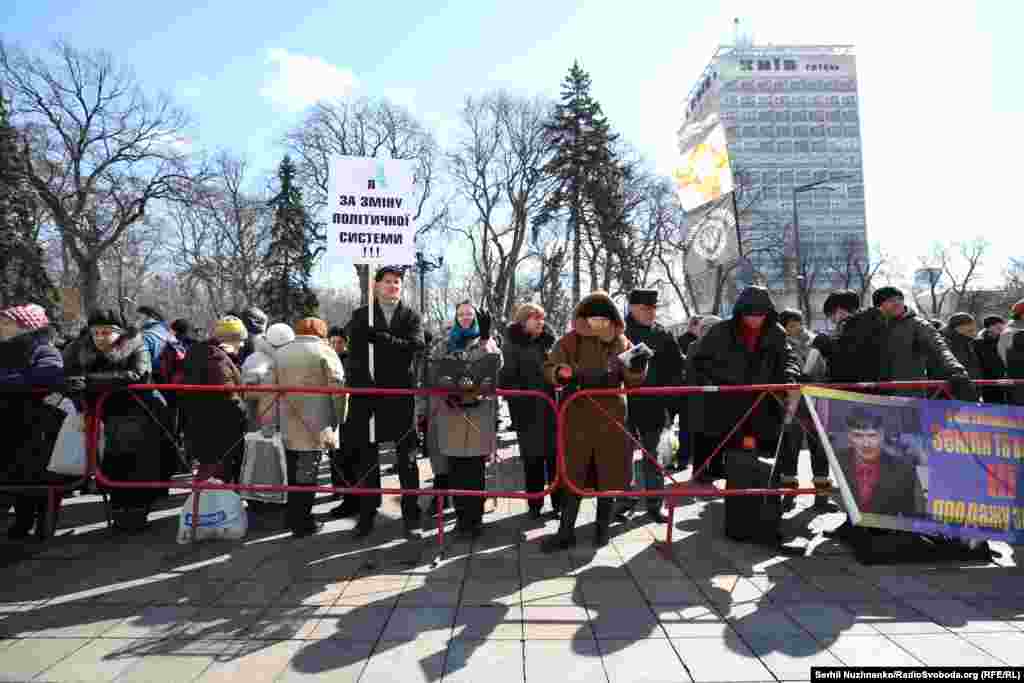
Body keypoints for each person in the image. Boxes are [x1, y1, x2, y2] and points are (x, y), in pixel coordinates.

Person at [542, 291, 647, 552]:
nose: (598, 323)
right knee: (573, 476)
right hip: (577, 419)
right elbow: (549, 368)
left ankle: (602, 531)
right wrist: (560, 372)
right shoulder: (569, 341)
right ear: (584, 318)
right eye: (593, 318)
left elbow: (633, 381)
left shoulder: (622, 342)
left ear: (611, 319)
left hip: (612, 420)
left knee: (608, 477)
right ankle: (565, 532)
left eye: (603, 319)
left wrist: (637, 368)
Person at [64, 309, 171, 532]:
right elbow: (69, 375)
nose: (100, 337)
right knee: (110, 463)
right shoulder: (79, 348)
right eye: (96, 333)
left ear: (120, 332)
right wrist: (75, 386)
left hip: (138, 410)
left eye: (107, 332)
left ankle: (137, 511)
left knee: (136, 464)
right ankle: (119, 511)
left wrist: (89, 381)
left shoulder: (136, 344)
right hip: (101, 413)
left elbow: (138, 374)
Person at [687, 287, 801, 489]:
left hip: (764, 404)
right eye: (750, 314)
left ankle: (767, 496)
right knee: (736, 456)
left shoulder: (776, 332)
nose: (755, 320)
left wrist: (790, 378)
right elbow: (698, 363)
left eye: (760, 315)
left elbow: (788, 359)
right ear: (740, 312)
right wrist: (710, 385)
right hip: (730, 404)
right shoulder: (720, 331)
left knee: (765, 455)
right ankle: (738, 496)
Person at [344, 266, 426, 538]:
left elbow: (415, 346)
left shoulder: (411, 316)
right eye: (388, 281)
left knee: (408, 459)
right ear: (377, 286)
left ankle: (411, 514)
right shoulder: (361, 316)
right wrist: (360, 384)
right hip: (369, 397)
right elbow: (354, 355)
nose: (393, 286)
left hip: (400, 396)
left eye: (397, 282)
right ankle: (367, 513)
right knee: (367, 458)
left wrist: (382, 339)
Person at [427, 302, 501, 538]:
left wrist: (485, 340)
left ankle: (475, 518)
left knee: (475, 470)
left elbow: (496, 365)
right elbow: (433, 371)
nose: (466, 317)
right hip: (452, 413)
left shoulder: (487, 342)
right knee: (457, 469)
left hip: (479, 413)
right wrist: (445, 390)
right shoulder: (444, 343)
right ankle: (461, 519)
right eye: (461, 314)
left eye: (470, 314)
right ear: (456, 317)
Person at [831, 287, 975, 402]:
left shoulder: (917, 324)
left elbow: (940, 348)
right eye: (890, 300)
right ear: (879, 306)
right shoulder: (870, 324)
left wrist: (957, 372)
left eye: (900, 299)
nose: (897, 303)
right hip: (875, 396)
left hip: (908, 396)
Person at [274, 317, 346, 537]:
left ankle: (291, 516)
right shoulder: (324, 351)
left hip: (287, 420)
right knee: (308, 472)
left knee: (291, 471)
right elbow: (338, 386)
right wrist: (340, 417)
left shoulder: (281, 352)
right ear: (322, 333)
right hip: (315, 422)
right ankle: (303, 522)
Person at [618, 289, 685, 523]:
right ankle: (624, 501)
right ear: (632, 308)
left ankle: (655, 504)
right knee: (623, 456)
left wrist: (671, 399)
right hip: (624, 404)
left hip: (655, 404)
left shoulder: (663, 333)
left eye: (654, 308)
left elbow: (677, 367)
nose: (651, 313)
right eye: (645, 308)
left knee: (655, 457)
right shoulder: (619, 332)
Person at [0, 305, 66, 539]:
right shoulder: (5, 351)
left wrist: (8, 381)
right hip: (10, 422)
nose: (1, 327)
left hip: (40, 424)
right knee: (16, 474)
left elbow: (46, 376)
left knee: (40, 475)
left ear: (25, 326)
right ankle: (23, 520)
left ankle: (44, 523)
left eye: (6, 323)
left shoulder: (45, 351)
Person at [500, 303, 559, 519]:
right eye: (536, 318)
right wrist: (523, 396)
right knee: (533, 460)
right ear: (524, 321)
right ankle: (534, 504)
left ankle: (558, 503)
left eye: (542, 318)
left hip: (552, 409)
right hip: (527, 412)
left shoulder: (550, 342)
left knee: (554, 458)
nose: (541, 322)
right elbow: (506, 378)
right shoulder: (512, 345)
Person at [182, 316, 249, 484]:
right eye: (240, 340)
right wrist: (245, 413)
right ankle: (205, 500)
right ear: (229, 340)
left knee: (210, 470)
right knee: (215, 473)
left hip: (202, 422)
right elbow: (228, 395)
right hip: (218, 427)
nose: (242, 345)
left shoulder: (201, 351)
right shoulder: (216, 358)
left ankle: (204, 498)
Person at [835, 409, 926, 517]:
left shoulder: (904, 470)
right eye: (858, 436)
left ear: (881, 436)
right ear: (849, 437)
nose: (866, 444)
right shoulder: (833, 462)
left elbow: (914, 517)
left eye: (872, 435)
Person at [975, 315, 1007, 404]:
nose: (1001, 329)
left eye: (1002, 327)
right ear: (989, 327)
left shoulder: (1004, 340)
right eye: (998, 327)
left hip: (1003, 379)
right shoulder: (978, 343)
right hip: (987, 380)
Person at [941, 313, 981, 381]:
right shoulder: (945, 344)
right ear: (957, 328)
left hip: (969, 383)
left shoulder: (967, 342)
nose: (974, 334)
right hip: (957, 384)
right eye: (970, 331)